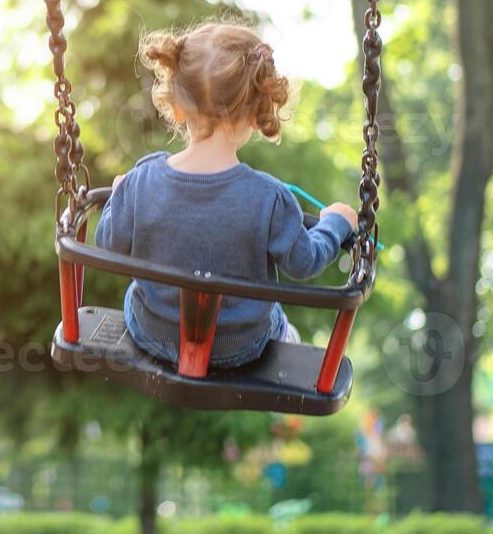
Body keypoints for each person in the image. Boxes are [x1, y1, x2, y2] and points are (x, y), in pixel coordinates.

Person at [94, 22, 358, 369]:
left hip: (152, 332)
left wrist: (118, 196)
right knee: (275, 315)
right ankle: (283, 334)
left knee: (139, 296)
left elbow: (107, 243)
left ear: (176, 106)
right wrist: (336, 224)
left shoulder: (142, 179)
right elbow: (304, 261)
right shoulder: (269, 197)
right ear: (254, 113)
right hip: (239, 347)